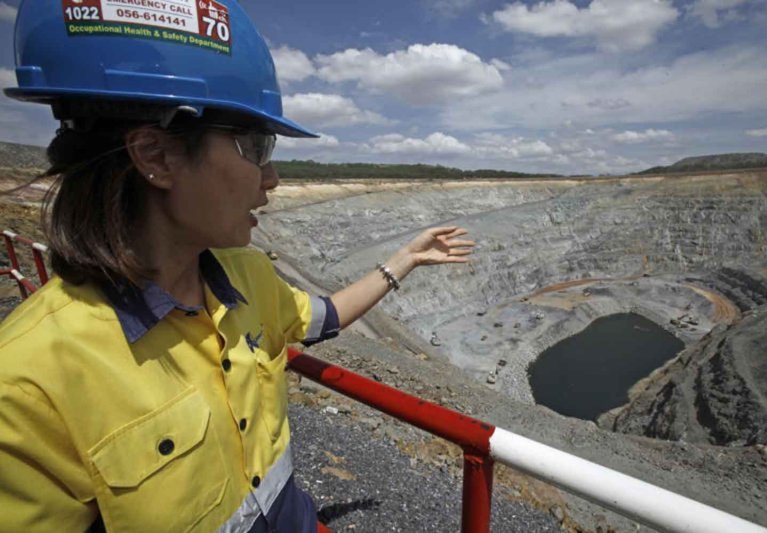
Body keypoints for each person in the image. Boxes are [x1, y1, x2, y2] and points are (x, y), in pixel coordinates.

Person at [0, 1, 475, 531]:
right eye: (255, 145)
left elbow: (324, 316)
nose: (272, 178)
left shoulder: (246, 275)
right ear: (155, 156)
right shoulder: (27, 386)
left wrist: (405, 260)